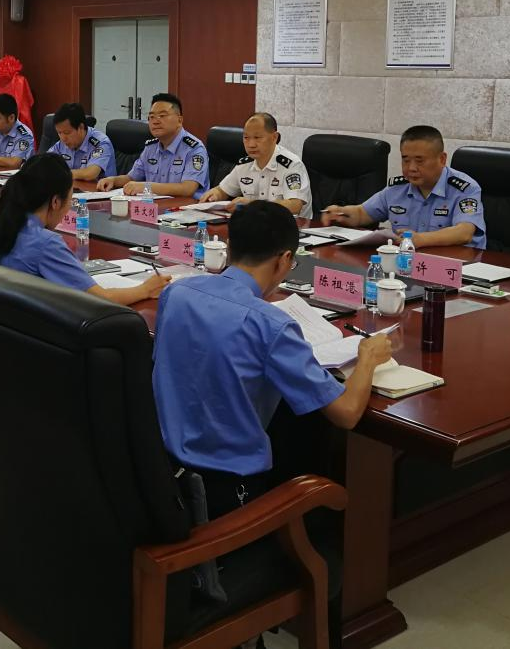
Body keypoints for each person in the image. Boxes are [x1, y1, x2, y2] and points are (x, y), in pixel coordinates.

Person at [152, 201, 393, 645]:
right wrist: (367, 359)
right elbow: (345, 414)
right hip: (228, 497)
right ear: (285, 260)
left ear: (228, 245)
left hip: (165, 479)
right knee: (325, 524)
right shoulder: (271, 324)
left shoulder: (176, 294)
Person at [0, 154, 169, 305]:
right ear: (55, 202)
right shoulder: (45, 243)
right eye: (70, 199)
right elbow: (100, 300)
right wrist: (146, 289)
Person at [322, 125, 486, 249]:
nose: (411, 168)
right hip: (408, 264)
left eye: (420, 161)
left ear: (442, 159)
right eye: (406, 160)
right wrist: (340, 212)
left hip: (457, 268)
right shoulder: (398, 188)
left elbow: (464, 232)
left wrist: (420, 239)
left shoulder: (465, 188)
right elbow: (362, 213)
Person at [95, 93, 209, 198]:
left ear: (179, 120)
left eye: (162, 116)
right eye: (152, 117)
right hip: (155, 207)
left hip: (184, 209)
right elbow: (132, 177)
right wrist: (113, 180)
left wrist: (147, 187)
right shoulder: (151, 147)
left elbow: (187, 189)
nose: (155, 121)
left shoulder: (194, 149)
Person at [199, 112, 312, 217]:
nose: (251, 144)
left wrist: (252, 204)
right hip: (256, 224)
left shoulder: (291, 165)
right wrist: (214, 195)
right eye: (246, 138)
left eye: (257, 138)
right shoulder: (245, 164)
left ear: (274, 137)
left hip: (290, 227)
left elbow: (295, 205)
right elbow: (222, 190)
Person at [46, 101, 116, 180]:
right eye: (59, 133)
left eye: (66, 133)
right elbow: (45, 164)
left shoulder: (101, 143)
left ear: (81, 127)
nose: (63, 138)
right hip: (74, 186)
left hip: (99, 187)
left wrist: (61, 173)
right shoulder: (61, 144)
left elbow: (90, 173)